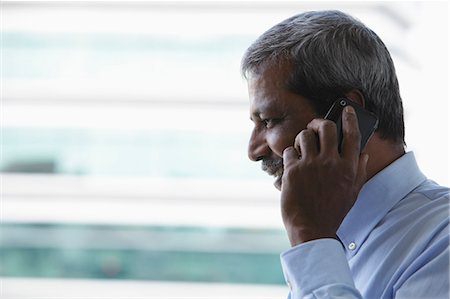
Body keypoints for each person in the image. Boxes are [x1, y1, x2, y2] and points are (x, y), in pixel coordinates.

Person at [241, 10, 449, 299]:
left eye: (270, 120)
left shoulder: (442, 242)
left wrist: (309, 234)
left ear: (346, 116)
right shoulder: (330, 238)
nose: (254, 151)